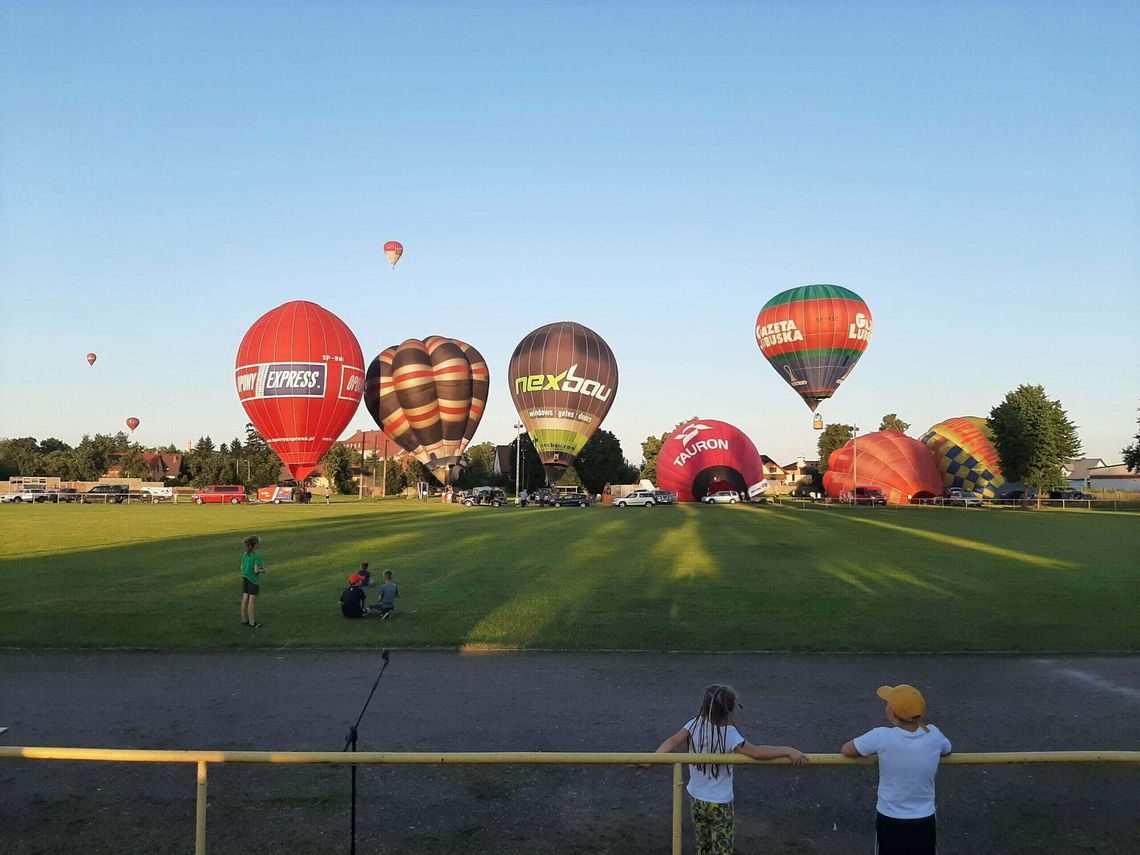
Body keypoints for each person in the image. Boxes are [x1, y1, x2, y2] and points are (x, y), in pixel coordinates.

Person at [639, 684, 807, 855]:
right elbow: (757, 752)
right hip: (720, 803)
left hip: (697, 800)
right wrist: (787, 749)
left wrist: (649, 761)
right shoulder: (730, 734)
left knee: (703, 847)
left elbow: (671, 742)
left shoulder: (693, 725)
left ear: (704, 707)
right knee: (722, 849)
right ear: (729, 711)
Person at [841, 684, 952, 855]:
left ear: (892, 712)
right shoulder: (934, 734)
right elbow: (947, 749)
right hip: (924, 818)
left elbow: (847, 750)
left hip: (890, 817)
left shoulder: (882, 735)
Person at [239, 535, 266, 629]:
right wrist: (262, 570)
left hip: (245, 578)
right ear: (256, 545)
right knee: (251, 601)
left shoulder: (245, 554)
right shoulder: (257, 556)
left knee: (244, 598)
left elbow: (242, 567)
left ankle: (243, 620)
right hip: (253, 581)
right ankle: (252, 622)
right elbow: (256, 570)